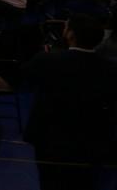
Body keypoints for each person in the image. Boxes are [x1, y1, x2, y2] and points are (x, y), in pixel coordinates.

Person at [23, 14, 117, 190]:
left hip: (49, 140)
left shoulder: (46, 60)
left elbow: (22, 80)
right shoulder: (111, 70)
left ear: (71, 34)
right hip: (91, 142)